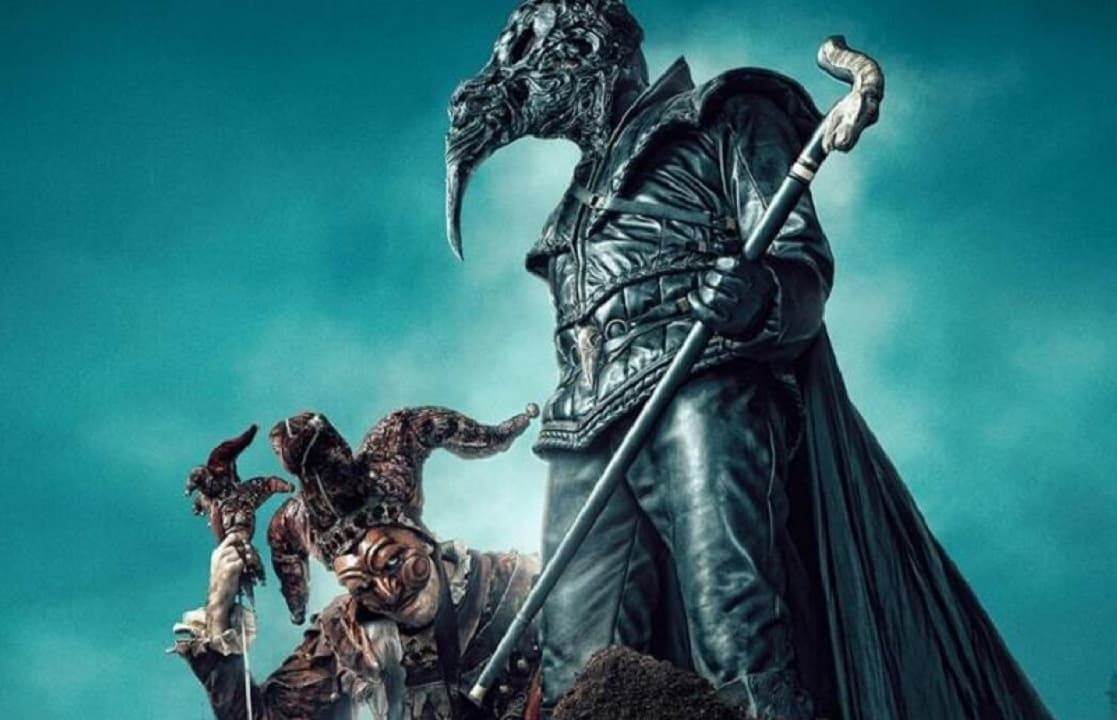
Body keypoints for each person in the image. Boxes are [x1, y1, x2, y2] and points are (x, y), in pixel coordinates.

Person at [443, 2, 1055, 719]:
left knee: (733, 626)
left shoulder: (723, 117)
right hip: (583, 422)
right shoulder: (572, 208)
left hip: (697, 385)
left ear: (585, 52)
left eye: (532, 58)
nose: (519, 83)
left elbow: (800, 267)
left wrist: (758, 294)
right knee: (577, 663)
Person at [172, 405, 543, 720]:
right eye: (361, 586)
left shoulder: (522, 581)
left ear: (421, 537)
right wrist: (219, 608)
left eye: (393, 561)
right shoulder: (347, 637)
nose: (387, 592)